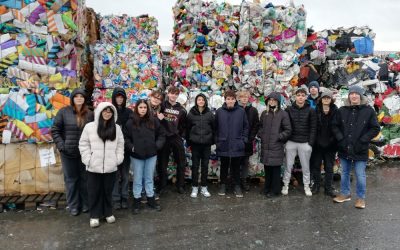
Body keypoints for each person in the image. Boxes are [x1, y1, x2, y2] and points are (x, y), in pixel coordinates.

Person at [332, 85, 380, 209]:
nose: (353, 96)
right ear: (349, 96)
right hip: (344, 147)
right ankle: (345, 194)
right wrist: (340, 139)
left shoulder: (368, 111)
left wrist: (364, 140)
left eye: (356, 94)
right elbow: (335, 126)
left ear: (360, 96)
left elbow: (375, 128)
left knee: (360, 174)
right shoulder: (342, 110)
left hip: (360, 148)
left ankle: (360, 198)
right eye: (351, 94)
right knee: (345, 172)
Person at [79, 102, 124, 228]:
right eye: (105, 111)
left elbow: (120, 145)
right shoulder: (89, 127)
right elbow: (83, 144)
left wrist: (118, 159)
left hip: (110, 166)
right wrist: (88, 159)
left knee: (108, 191)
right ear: (99, 111)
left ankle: (108, 213)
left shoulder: (117, 128)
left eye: (110, 112)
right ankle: (94, 215)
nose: (107, 114)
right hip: (93, 167)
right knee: (94, 191)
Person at [52, 88, 94, 216]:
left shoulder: (90, 114)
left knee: (85, 179)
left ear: (85, 99)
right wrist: (62, 146)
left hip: (84, 153)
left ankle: (86, 204)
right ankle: (74, 206)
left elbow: (94, 132)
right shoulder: (64, 112)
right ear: (73, 99)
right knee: (71, 180)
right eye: (77, 96)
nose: (79, 98)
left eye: (82, 96)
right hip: (68, 153)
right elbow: (55, 130)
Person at [124, 100, 165, 213]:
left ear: (147, 109)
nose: (143, 109)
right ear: (136, 108)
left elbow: (161, 134)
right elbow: (126, 138)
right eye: (140, 107)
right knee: (137, 179)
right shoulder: (130, 122)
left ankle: (151, 199)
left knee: (149, 178)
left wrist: (157, 146)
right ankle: (136, 201)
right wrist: (132, 147)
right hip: (137, 156)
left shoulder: (153, 121)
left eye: (145, 107)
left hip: (151, 155)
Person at [282, 87, 317, 196]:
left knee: (305, 166)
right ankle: (285, 184)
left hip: (305, 142)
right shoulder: (289, 109)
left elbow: (313, 127)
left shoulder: (311, 110)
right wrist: (286, 140)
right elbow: (285, 125)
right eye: (298, 95)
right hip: (291, 141)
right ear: (295, 97)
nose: (300, 97)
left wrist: (310, 143)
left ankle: (306, 186)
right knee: (288, 165)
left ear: (306, 97)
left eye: (302, 95)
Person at [216, 90, 249, 198]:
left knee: (236, 166)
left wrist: (243, 139)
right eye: (228, 99)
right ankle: (223, 185)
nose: (230, 101)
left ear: (235, 100)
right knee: (224, 166)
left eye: (232, 99)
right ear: (225, 100)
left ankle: (237, 186)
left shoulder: (241, 111)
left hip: (237, 144)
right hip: (223, 143)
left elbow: (246, 127)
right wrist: (218, 140)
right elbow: (215, 127)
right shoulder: (219, 111)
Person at [258, 92, 292, 198]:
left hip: (276, 146)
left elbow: (288, 130)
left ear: (278, 102)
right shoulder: (265, 113)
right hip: (266, 146)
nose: (272, 102)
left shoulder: (283, 114)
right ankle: (267, 188)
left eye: (274, 100)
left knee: (275, 170)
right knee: (267, 169)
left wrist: (278, 137)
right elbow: (260, 126)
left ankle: (275, 190)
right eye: (270, 100)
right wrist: (261, 135)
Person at [158, 86, 187, 194]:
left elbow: (184, 125)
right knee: (162, 163)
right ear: (168, 94)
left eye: (176, 94)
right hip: (164, 138)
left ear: (177, 95)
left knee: (181, 162)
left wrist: (180, 135)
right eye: (171, 93)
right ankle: (162, 186)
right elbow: (156, 117)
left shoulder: (182, 110)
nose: (173, 95)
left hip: (176, 138)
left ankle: (180, 186)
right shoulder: (162, 105)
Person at [186, 93, 215, 198]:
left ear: (205, 101)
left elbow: (214, 128)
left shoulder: (210, 114)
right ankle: (194, 187)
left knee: (205, 166)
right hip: (195, 144)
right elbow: (187, 128)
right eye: (199, 99)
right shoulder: (191, 114)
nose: (201, 101)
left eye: (203, 99)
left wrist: (212, 141)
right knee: (195, 166)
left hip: (206, 144)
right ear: (196, 101)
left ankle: (204, 187)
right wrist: (189, 142)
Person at [310, 90, 338, 197]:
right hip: (317, 144)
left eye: (328, 98)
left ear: (331, 99)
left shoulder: (335, 110)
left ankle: (328, 188)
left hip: (330, 145)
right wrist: (316, 140)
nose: (326, 99)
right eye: (324, 98)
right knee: (316, 166)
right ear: (321, 99)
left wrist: (332, 141)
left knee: (329, 167)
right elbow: (313, 126)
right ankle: (316, 186)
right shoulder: (316, 110)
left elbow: (337, 127)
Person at [111, 87, 133, 209]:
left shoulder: (129, 112)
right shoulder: (109, 110)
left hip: (125, 148)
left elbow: (132, 129)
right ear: (114, 98)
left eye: (121, 97)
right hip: (112, 148)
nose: (119, 99)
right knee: (114, 175)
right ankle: (115, 199)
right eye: (117, 97)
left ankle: (124, 197)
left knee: (124, 175)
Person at [237, 90, 259, 191]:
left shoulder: (253, 110)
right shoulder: (236, 109)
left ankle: (244, 181)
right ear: (239, 98)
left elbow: (256, 125)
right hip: (236, 141)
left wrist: (251, 137)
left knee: (245, 162)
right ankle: (236, 181)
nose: (244, 99)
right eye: (242, 97)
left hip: (248, 141)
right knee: (236, 162)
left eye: (246, 97)